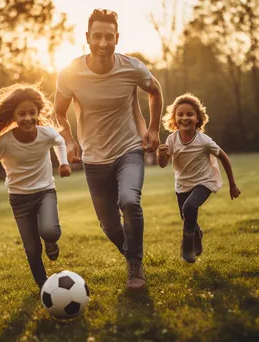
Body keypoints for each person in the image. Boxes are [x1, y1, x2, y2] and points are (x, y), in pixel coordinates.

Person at [54, 9, 163, 290]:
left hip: (128, 150)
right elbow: (59, 113)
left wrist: (153, 129)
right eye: (97, 36)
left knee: (129, 200)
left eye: (109, 37)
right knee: (109, 225)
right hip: (94, 158)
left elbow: (155, 90)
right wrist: (68, 139)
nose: (103, 43)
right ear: (88, 37)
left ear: (117, 38)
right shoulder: (70, 74)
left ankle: (135, 267)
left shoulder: (132, 68)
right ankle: (132, 255)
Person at [0, 82, 71, 288]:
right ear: (13, 116)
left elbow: (60, 142)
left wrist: (63, 163)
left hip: (45, 191)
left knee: (50, 231)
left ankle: (51, 241)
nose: (27, 118)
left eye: (32, 113)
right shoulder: (5, 141)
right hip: (19, 199)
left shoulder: (46, 133)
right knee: (31, 248)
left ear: (38, 113)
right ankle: (42, 284)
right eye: (22, 114)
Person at [157, 93, 241, 263]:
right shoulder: (172, 139)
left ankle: (188, 247)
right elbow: (163, 164)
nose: (185, 118)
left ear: (198, 118)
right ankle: (196, 232)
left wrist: (232, 185)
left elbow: (223, 157)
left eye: (190, 114)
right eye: (180, 114)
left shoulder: (204, 141)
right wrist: (161, 154)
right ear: (174, 118)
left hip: (204, 182)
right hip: (182, 184)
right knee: (186, 216)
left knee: (189, 208)